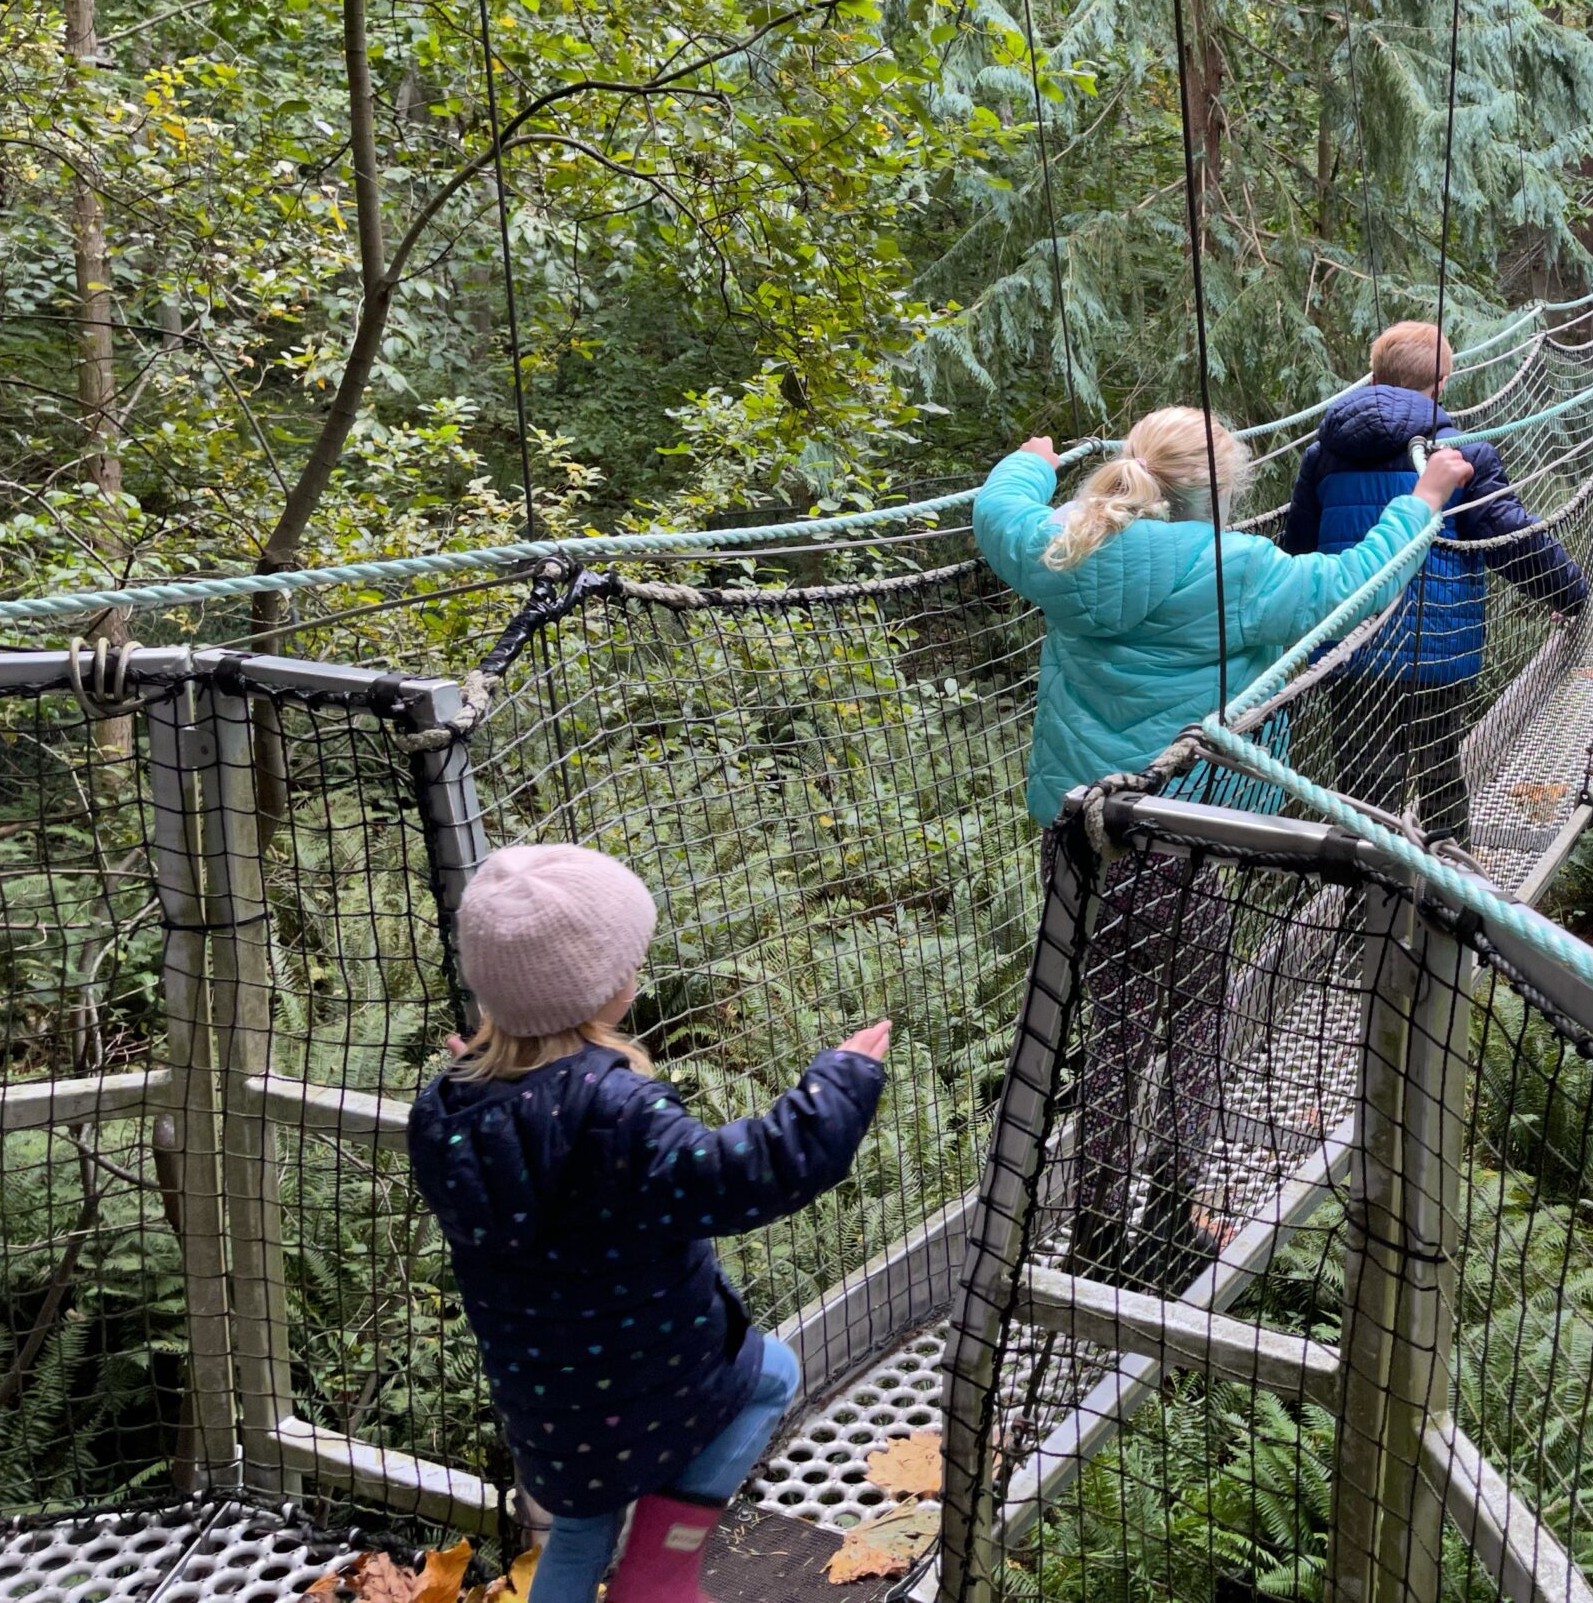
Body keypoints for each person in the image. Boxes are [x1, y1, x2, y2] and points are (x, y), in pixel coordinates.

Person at [976, 406, 1471, 1286]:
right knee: (1195, 1019)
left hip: (1083, 832)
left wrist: (1029, 463)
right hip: (1193, 836)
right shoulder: (1236, 569)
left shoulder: (1065, 543)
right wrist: (1423, 500)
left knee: (1115, 1028)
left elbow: (997, 515)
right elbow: (1356, 585)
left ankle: (1093, 1223)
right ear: (1223, 489)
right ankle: (1170, 1213)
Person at [407, 844, 890, 1603]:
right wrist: (841, 1082)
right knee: (773, 1375)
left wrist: (495, 1084)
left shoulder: (446, 1110)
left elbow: (512, 1158)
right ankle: (659, 1571)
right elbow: (746, 1175)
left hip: (545, 1402)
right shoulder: (620, 1114)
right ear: (610, 988)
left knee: (578, 1527)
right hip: (656, 1375)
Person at [1285, 320, 1588, 852]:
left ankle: (1364, 905)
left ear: (1374, 375)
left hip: (1351, 650)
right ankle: (1447, 888)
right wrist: (1570, 592)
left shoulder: (1322, 456)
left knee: (1362, 784)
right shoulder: (1462, 454)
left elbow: (1298, 553)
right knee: (1440, 769)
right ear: (1441, 383)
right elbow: (1511, 538)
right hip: (1437, 650)